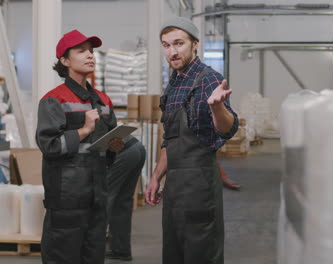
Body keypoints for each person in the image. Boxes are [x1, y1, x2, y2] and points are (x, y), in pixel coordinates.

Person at [145, 16, 239, 264]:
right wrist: (156, 176)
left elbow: (228, 130)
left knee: (201, 253)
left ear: (195, 44)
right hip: (174, 185)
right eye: (166, 45)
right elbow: (170, 138)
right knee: (174, 251)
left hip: (199, 185)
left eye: (179, 43)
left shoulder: (208, 79)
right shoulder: (173, 84)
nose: (172, 51)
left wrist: (218, 108)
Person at [36, 29, 124, 264]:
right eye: (81, 51)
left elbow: (105, 148)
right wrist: (83, 131)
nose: (90, 55)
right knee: (63, 256)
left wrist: (114, 147)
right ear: (65, 61)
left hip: (97, 195)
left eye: (91, 51)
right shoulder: (54, 100)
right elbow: (49, 146)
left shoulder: (103, 101)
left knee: (93, 256)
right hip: (67, 199)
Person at [105, 135, 146, 261]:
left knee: (104, 199)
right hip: (137, 147)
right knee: (121, 202)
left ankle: (92, 249)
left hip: (124, 152)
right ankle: (121, 250)